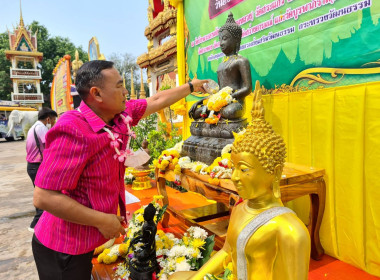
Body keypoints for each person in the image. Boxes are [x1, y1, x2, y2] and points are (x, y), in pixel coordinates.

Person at [32, 60, 207, 280]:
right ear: (96, 94)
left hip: (85, 242)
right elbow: (43, 196)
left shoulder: (119, 117)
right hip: (63, 246)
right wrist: (102, 220)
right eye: (119, 85)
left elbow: (156, 100)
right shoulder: (72, 128)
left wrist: (192, 87)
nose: (126, 91)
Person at [170, 91, 310, 280]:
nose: (234, 177)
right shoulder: (241, 208)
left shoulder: (290, 231)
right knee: (176, 277)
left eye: (243, 169)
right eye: (233, 167)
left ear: (274, 172)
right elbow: (227, 252)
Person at [189, 12, 252, 121]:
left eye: (225, 38)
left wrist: (229, 98)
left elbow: (247, 88)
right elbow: (219, 91)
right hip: (220, 102)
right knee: (196, 113)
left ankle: (216, 115)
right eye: (220, 39)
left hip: (236, 103)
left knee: (229, 112)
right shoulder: (221, 66)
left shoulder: (241, 61)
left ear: (236, 40)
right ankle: (214, 114)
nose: (221, 43)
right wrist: (201, 101)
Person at [26, 107, 57, 232]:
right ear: (48, 119)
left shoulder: (34, 127)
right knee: (44, 196)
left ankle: (39, 223)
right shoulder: (41, 128)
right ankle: (35, 224)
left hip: (32, 165)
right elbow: (51, 144)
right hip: (37, 165)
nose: (54, 122)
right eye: (53, 119)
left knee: (42, 195)